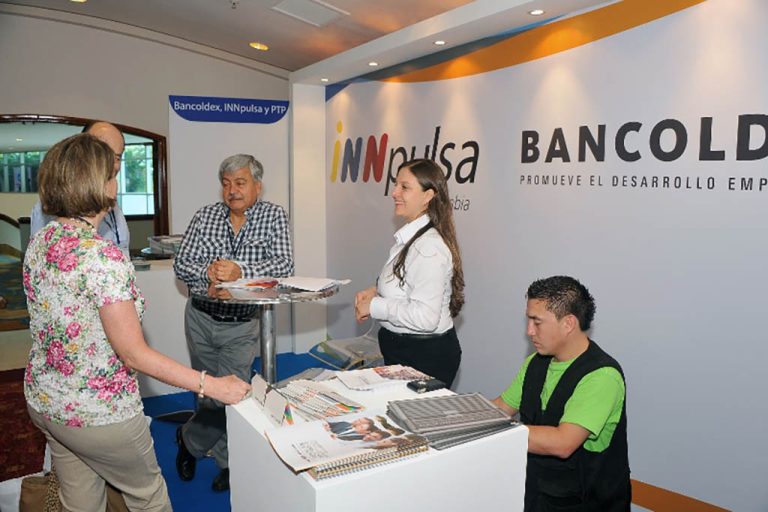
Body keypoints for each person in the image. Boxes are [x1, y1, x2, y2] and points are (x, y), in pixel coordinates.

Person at [23, 134, 250, 512]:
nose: (117, 180)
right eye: (112, 173)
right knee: (149, 497)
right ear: (101, 186)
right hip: (98, 413)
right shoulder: (102, 257)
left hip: (47, 402)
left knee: (79, 501)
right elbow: (133, 353)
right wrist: (211, 384)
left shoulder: (41, 241)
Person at [173, 153, 294, 491]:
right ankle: (225, 456)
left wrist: (241, 272)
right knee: (206, 391)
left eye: (240, 183)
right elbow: (181, 264)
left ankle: (192, 441)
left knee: (232, 395)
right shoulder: (205, 216)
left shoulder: (273, 216)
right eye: (226, 184)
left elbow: (284, 265)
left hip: (241, 323)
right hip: (200, 318)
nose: (232, 191)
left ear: (258, 185)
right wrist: (208, 272)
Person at [492, 276, 630, 512]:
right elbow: (501, 408)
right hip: (537, 495)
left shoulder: (602, 376)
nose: (529, 331)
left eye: (537, 322)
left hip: (586, 503)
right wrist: (449, 416)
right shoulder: (535, 363)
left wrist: (490, 431)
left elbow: (562, 443)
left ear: (568, 323)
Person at [354, 159, 464, 387]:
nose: (394, 193)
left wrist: (374, 306)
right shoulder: (412, 237)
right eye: (396, 185)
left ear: (428, 196)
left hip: (424, 357)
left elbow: (425, 318)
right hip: (403, 351)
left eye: (404, 187)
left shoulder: (429, 247)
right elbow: (404, 283)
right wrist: (375, 290)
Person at [30, 121, 130, 257]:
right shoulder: (52, 207)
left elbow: (122, 249)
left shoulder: (113, 207)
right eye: (100, 153)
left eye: (116, 157)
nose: (109, 163)